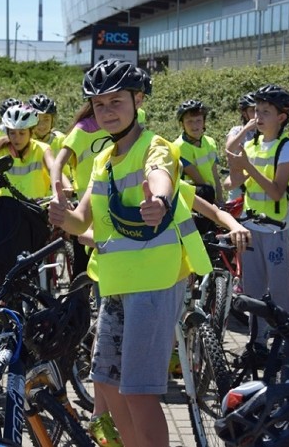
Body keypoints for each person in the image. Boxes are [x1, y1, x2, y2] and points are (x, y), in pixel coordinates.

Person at [49, 58, 218, 447]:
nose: (107, 112)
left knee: (139, 391)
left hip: (154, 283)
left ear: (138, 99)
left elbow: (161, 174)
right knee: (106, 385)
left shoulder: (153, 147)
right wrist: (64, 217)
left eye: (116, 102)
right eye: (99, 105)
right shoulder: (104, 161)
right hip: (116, 283)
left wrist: (158, 198)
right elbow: (81, 222)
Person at [225, 84, 289, 355]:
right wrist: (246, 130)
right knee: (252, 291)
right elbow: (231, 150)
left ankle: (288, 343)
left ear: (282, 117)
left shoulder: (286, 147)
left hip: (276, 230)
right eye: (256, 111)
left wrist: (247, 167)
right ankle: (257, 343)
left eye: (265, 112)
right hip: (251, 226)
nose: (259, 117)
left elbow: (277, 191)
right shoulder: (253, 143)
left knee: (281, 290)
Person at [0, 104, 56, 200]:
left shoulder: (42, 149)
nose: (17, 138)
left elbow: (54, 170)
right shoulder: (0, 151)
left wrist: (63, 189)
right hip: (7, 210)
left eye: (22, 133)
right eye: (12, 133)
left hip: (35, 210)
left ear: (31, 132)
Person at [174, 99, 224, 204]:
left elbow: (215, 175)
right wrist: (216, 205)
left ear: (204, 122)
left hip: (210, 196)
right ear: (182, 124)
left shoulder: (209, 142)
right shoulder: (179, 147)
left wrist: (221, 199)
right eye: (189, 121)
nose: (194, 126)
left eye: (198, 120)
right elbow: (198, 180)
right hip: (192, 199)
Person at [223, 93, 256, 201]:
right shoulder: (237, 130)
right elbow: (229, 149)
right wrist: (245, 129)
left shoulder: (268, 130)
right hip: (239, 183)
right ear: (244, 113)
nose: (256, 114)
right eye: (252, 110)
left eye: (258, 110)